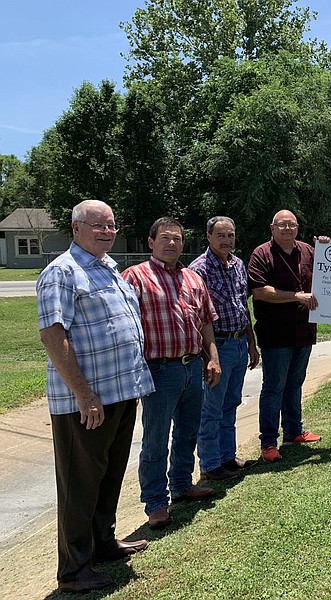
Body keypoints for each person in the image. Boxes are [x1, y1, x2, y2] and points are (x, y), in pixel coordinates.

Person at [37, 199, 155, 592]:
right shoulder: (62, 273)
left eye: (111, 225)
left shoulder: (109, 270)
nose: (106, 231)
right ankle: (73, 569)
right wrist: (84, 395)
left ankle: (103, 542)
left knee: (108, 475)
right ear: (76, 228)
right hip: (86, 403)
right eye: (97, 225)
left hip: (121, 393)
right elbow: (53, 335)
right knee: (80, 484)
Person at [122, 217, 221, 529]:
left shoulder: (193, 279)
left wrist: (212, 358)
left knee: (188, 432)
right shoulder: (134, 277)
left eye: (177, 239)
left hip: (193, 365)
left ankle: (181, 485)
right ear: (151, 242)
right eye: (165, 238)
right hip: (159, 370)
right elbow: (125, 328)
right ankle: (155, 502)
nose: (172, 244)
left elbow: (206, 321)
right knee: (155, 439)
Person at [248, 210, 327, 462]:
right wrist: (295, 296)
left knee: (295, 384)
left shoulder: (309, 251)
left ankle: (293, 431)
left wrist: (328, 248)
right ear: (272, 228)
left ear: (297, 227)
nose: (286, 229)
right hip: (275, 334)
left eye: (291, 225)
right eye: (281, 225)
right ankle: (268, 443)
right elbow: (260, 292)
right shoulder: (261, 254)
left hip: (304, 331)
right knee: (273, 388)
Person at [188, 216, 260, 481]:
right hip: (217, 346)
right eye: (220, 235)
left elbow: (243, 306)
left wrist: (251, 344)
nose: (226, 240)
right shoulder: (199, 270)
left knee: (231, 403)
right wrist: (210, 357)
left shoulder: (238, 264)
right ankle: (209, 464)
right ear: (208, 237)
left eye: (230, 235)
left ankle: (228, 456)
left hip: (239, 342)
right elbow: (196, 317)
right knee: (211, 408)